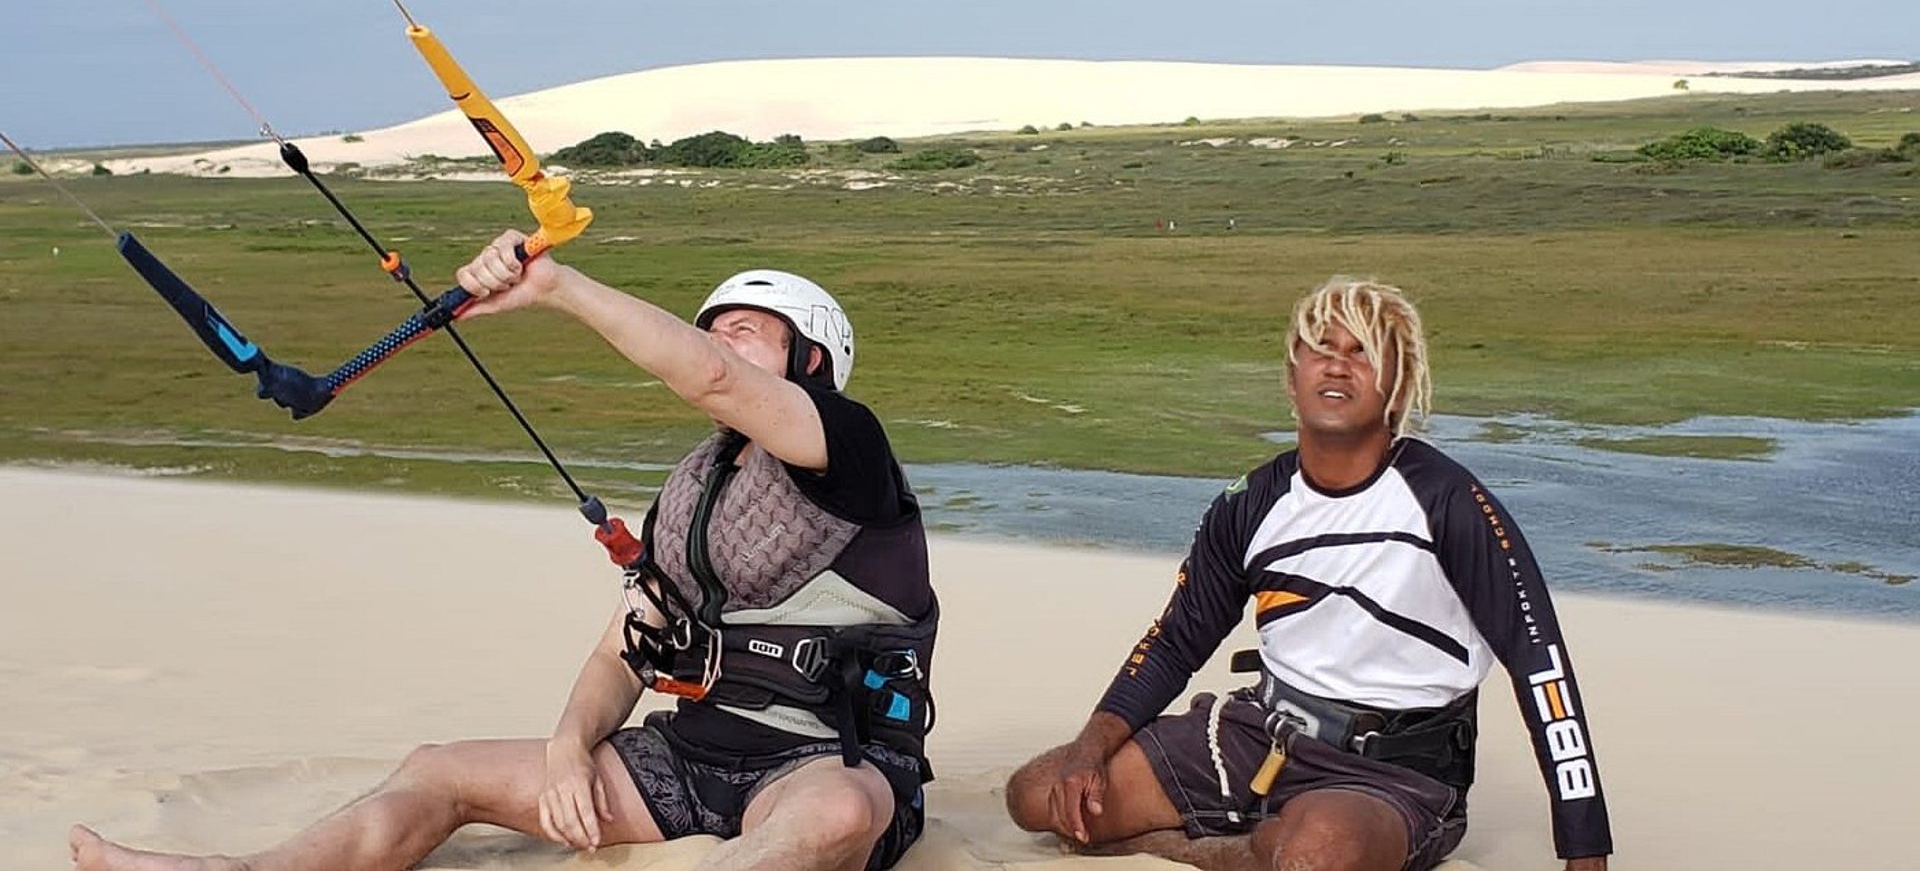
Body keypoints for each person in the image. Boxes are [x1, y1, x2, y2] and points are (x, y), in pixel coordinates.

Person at [72, 232, 938, 871]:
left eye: (746, 330)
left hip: (828, 765)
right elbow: (624, 645)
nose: (717, 343)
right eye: (710, 326)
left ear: (812, 360)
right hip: (689, 761)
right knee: (436, 771)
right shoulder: (693, 486)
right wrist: (569, 747)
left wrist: (555, 285)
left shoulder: (851, 448)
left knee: (831, 816)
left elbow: (709, 375)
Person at [1005, 276, 1612, 871]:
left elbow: (1539, 662)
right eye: (1320, 348)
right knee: (1040, 795)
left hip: (1392, 774)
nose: (1338, 365)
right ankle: (1253, 842)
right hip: (1260, 736)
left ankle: (1230, 849)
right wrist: (1089, 749)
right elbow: (1175, 642)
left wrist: (1584, 844)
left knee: (1311, 855)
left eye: (1362, 353)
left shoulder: (1446, 501)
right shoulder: (1251, 502)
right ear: (1292, 377)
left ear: (1398, 386)